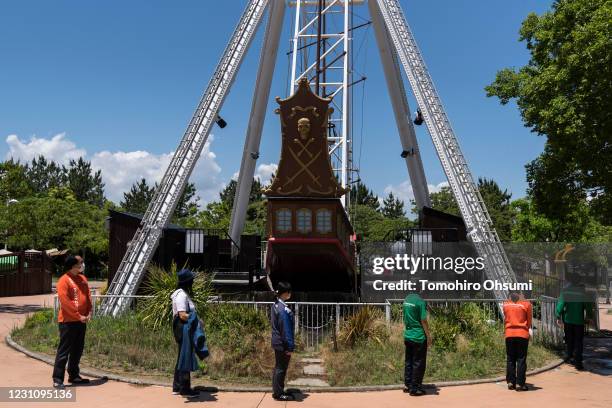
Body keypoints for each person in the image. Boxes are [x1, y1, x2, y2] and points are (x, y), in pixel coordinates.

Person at [52, 255, 92, 389]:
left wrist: (89, 312)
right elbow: (65, 302)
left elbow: (88, 296)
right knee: (64, 351)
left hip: (82, 321)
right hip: (68, 322)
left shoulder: (83, 279)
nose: (83, 264)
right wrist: (77, 315)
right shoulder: (63, 280)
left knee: (77, 350)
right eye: (81, 262)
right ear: (73, 265)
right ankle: (57, 379)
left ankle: (74, 376)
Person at [170, 269, 199, 397]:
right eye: (191, 280)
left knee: (182, 356)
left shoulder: (181, 293)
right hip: (183, 328)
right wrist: (196, 319)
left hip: (181, 328)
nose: (193, 281)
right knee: (186, 357)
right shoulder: (181, 295)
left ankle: (177, 386)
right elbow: (182, 315)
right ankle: (185, 389)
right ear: (187, 281)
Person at [556, 276, 594, 370]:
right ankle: (578, 363)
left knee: (569, 340)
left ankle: (570, 357)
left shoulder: (565, 291)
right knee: (578, 342)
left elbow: (560, 305)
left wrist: (558, 316)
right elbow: (588, 306)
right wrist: (589, 316)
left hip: (568, 320)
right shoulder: (583, 292)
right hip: (579, 321)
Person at [402, 289, 431, 396]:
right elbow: (423, 320)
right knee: (418, 363)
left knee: (409, 361)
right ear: (421, 291)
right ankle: (415, 388)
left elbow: (405, 317)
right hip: (418, 337)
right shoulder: (420, 302)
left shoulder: (406, 300)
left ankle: (408, 384)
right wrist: (428, 336)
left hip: (408, 336)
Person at [270, 281, 295, 401]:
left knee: (278, 367)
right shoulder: (283, 309)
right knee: (281, 368)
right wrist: (289, 347)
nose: (290, 294)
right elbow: (286, 330)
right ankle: (279, 394)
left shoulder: (275, 305)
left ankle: (277, 391)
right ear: (285, 293)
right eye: (289, 292)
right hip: (282, 343)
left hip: (277, 341)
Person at [503, 291, 532, 391]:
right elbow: (529, 321)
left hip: (509, 334)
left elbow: (506, 319)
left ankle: (511, 382)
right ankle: (520, 383)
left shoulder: (505, 304)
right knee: (521, 359)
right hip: (522, 334)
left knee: (510, 358)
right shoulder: (527, 304)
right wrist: (525, 330)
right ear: (520, 293)